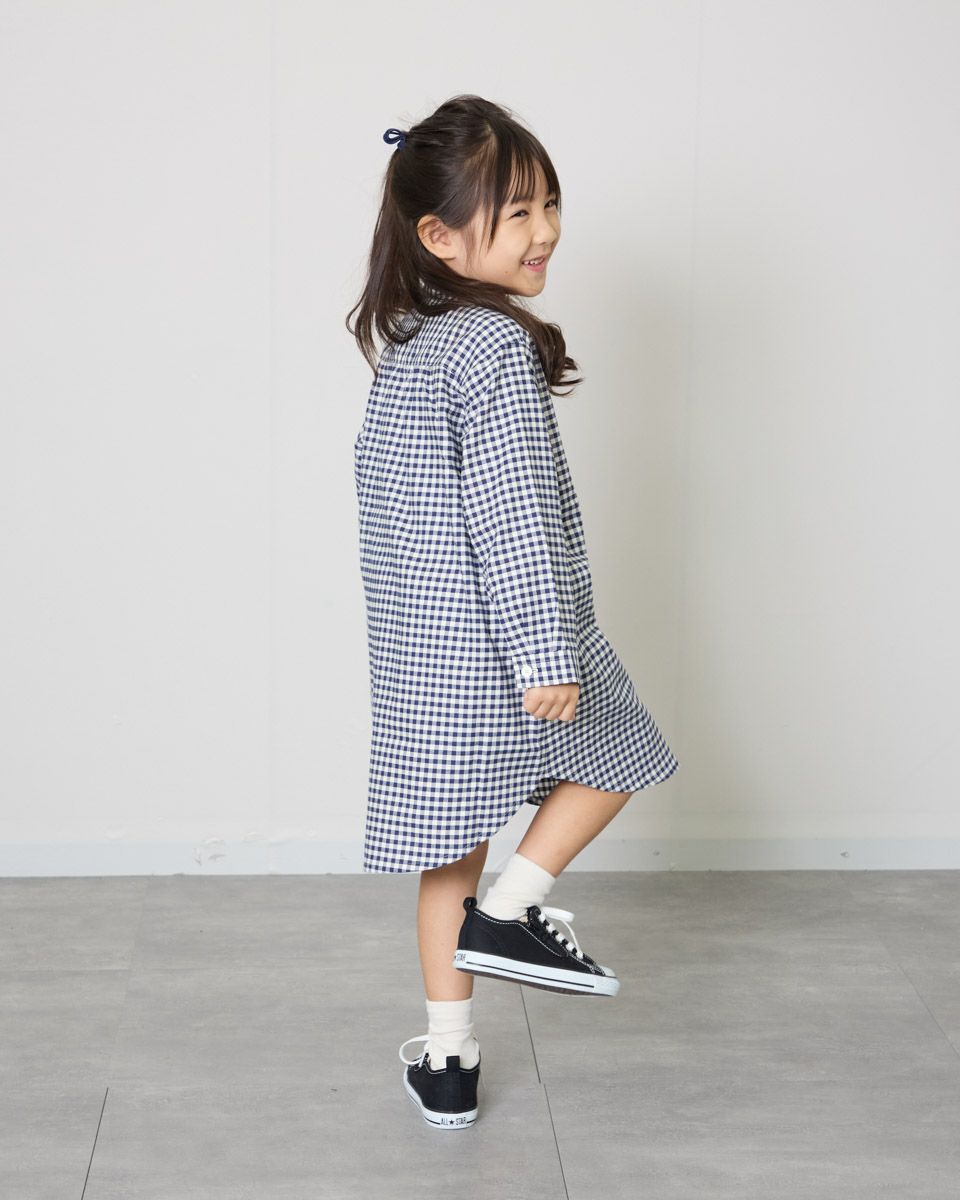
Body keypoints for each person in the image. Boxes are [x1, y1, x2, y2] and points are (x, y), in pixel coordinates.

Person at [346, 94, 680, 1129]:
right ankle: (509, 911)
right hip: (507, 641)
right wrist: (545, 650)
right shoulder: (490, 347)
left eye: (550, 204)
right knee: (620, 753)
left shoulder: (413, 350)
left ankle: (448, 1062)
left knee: (449, 848)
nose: (548, 232)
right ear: (440, 237)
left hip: (425, 658)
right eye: (519, 212)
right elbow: (515, 514)